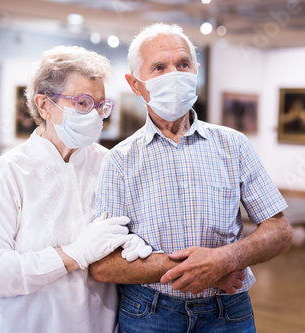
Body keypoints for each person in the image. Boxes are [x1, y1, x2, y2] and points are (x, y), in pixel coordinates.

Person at [90, 23, 293, 332]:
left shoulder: (233, 144)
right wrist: (206, 269)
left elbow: (279, 230)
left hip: (228, 310)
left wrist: (226, 259)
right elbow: (103, 264)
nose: (174, 74)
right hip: (150, 313)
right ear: (136, 84)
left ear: (196, 70)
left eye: (183, 64)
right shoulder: (119, 160)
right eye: (159, 67)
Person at [0, 45, 151, 333]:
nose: (95, 115)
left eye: (101, 105)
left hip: (97, 322)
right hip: (27, 323)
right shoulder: (13, 170)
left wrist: (134, 245)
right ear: (44, 105)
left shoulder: (108, 164)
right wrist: (73, 254)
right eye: (82, 102)